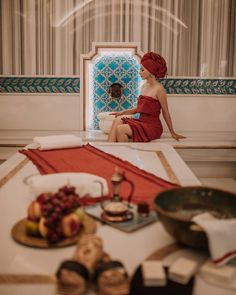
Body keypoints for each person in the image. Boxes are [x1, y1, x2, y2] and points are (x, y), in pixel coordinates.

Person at [107, 52, 186, 142]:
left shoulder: (159, 89)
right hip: (141, 121)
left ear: (151, 71)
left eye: (142, 70)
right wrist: (121, 112)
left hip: (152, 126)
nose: (139, 72)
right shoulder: (143, 86)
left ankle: (121, 154)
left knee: (120, 129)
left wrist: (172, 132)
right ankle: (107, 151)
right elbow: (139, 109)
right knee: (117, 120)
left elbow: (165, 111)